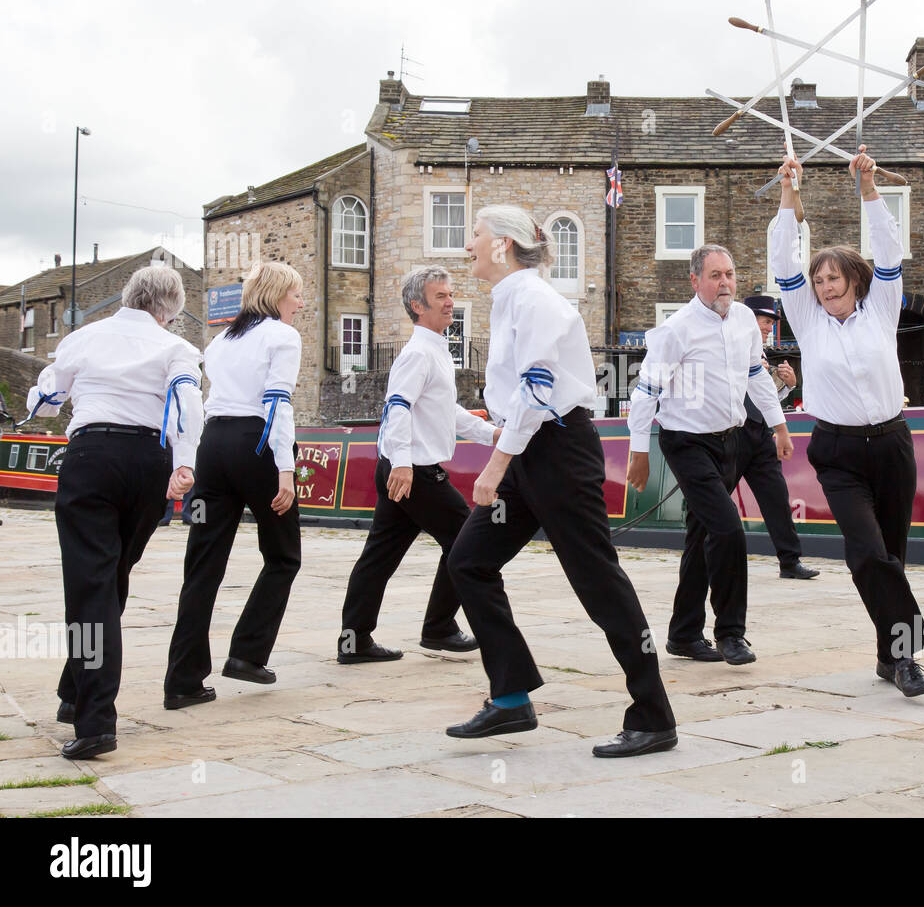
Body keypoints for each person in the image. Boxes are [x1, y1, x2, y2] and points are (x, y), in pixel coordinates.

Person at [444, 205, 676, 757]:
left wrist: (497, 463)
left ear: (500, 243)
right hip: (531, 450)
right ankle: (510, 698)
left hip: (557, 453)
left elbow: (540, 388)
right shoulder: (509, 301)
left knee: (597, 580)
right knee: (468, 562)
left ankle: (654, 715)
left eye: (474, 235)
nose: (468, 245)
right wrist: (506, 450)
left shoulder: (536, 301)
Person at [772, 150, 924, 697]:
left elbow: (889, 248)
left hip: (892, 443)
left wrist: (868, 185)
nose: (823, 285)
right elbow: (783, 260)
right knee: (867, 552)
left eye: (834, 277)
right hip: (837, 451)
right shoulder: (806, 321)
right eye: (818, 279)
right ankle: (910, 653)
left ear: (856, 282)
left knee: (893, 555)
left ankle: (892, 659)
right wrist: (790, 194)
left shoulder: (884, 307)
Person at [27, 261, 202, 758]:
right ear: (170, 311)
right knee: (111, 580)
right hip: (150, 462)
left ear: (128, 295)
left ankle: (97, 720)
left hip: (93, 457)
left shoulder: (86, 338)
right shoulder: (177, 347)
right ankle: (74, 692)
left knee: (91, 588)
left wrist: (36, 403)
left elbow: (49, 396)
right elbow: (189, 403)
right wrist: (185, 464)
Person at [627, 246, 794, 665]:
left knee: (702, 536)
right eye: (715, 275)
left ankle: (683, 634)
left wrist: (778, 425)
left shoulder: (744, 321)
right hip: (686, 443)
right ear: (694, 280)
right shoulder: (674, 330)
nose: (725, 283)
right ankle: (731, 634)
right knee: (728, 531)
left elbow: (756, 375)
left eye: (730, 274)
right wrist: (638, 451)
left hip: (731, 441)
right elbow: (647, 391)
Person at [336, 267, 498, 663]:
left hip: (405, 468)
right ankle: (439, 628)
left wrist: (491, 434)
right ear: (417, 306)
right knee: (467, 541)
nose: (450, 302)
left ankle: (354, 640)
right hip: (415, 473)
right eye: (441, 296)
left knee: (379, 555)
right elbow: (397, 408)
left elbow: (446, 412)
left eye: (450, 294)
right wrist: (403, 465)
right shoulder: (418, 353)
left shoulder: (436, 351)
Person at [163, 261, 304, 708]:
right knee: (282, 555)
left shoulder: (220, 340)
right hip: (257, 444)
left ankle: (183, 681)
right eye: (297, 294)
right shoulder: (284, 336)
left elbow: (206, 402)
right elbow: (277, 401)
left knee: (202, 565)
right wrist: (286, 469)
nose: (301, 303)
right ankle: (246, 653)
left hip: (214, 444)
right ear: (278, 295)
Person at [738, 295, 818, 581]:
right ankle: (700, 556)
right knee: (714, 499)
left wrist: (788, 386)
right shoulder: (731, 348)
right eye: (766, 321)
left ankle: (789, 561)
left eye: (771, 322)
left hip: (759, 434)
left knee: (776, 498)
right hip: (733, 433)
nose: (769, 328)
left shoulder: (760, 353)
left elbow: (764, 397)